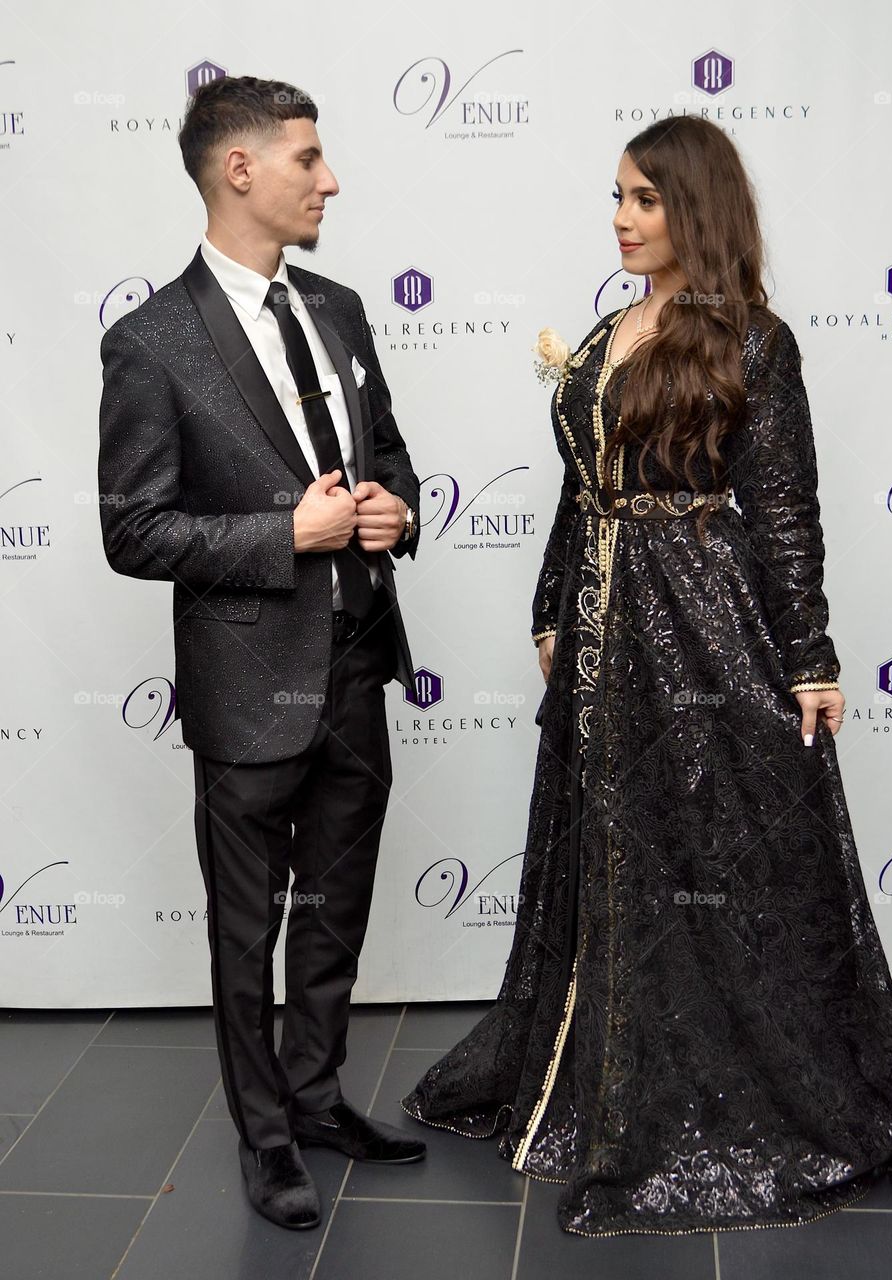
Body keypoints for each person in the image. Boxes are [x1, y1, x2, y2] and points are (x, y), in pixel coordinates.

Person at [402, 115, 892, 1236]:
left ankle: (719, 1085)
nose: (620, 218)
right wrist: (552, 607)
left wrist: (809, 658)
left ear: (693, 207)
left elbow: (784, 508)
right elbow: (577, 487)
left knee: (705, 850)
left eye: (642, 199)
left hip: (699, 622)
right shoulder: (603, 331)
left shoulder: (751, 338)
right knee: (603, 841)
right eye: (615, 197)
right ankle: (584, 1072)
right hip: (602, 634)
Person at [98, 74, 425, 1232]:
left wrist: (393, 506)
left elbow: (387, 455)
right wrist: (286, 532)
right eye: (307, 157)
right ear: (239, 169)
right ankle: (267, 1135)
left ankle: (321, 1095)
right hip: (247, 686)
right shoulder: (150, 341)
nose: (328, 178)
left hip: (356, 660)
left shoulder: (335, 307)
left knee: (336, 905)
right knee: (248, 927)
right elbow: (133, 529)